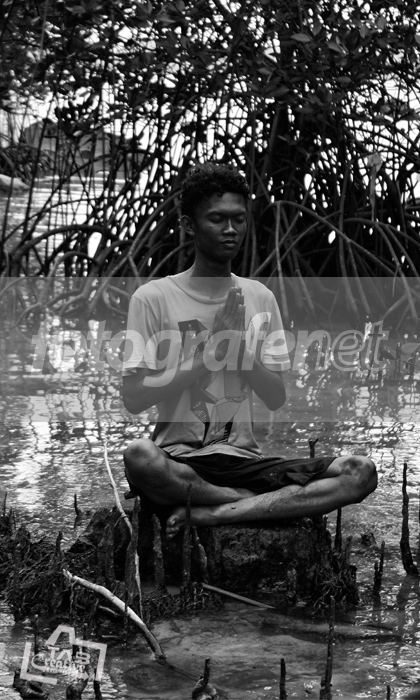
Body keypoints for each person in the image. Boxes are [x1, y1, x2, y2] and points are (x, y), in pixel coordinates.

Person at [122, 162, 377, 537]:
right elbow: (133, 397)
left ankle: (217, 512)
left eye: (238, 219)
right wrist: (209, 355)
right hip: (178, 458)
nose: (230, 229)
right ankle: (249, 503)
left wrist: (240, 352)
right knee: (139, 456)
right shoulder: (152, 298)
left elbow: (275, 396)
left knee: (360, 472)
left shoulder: (260, 297)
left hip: (245, 460)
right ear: (189, 225)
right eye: (217, 219)